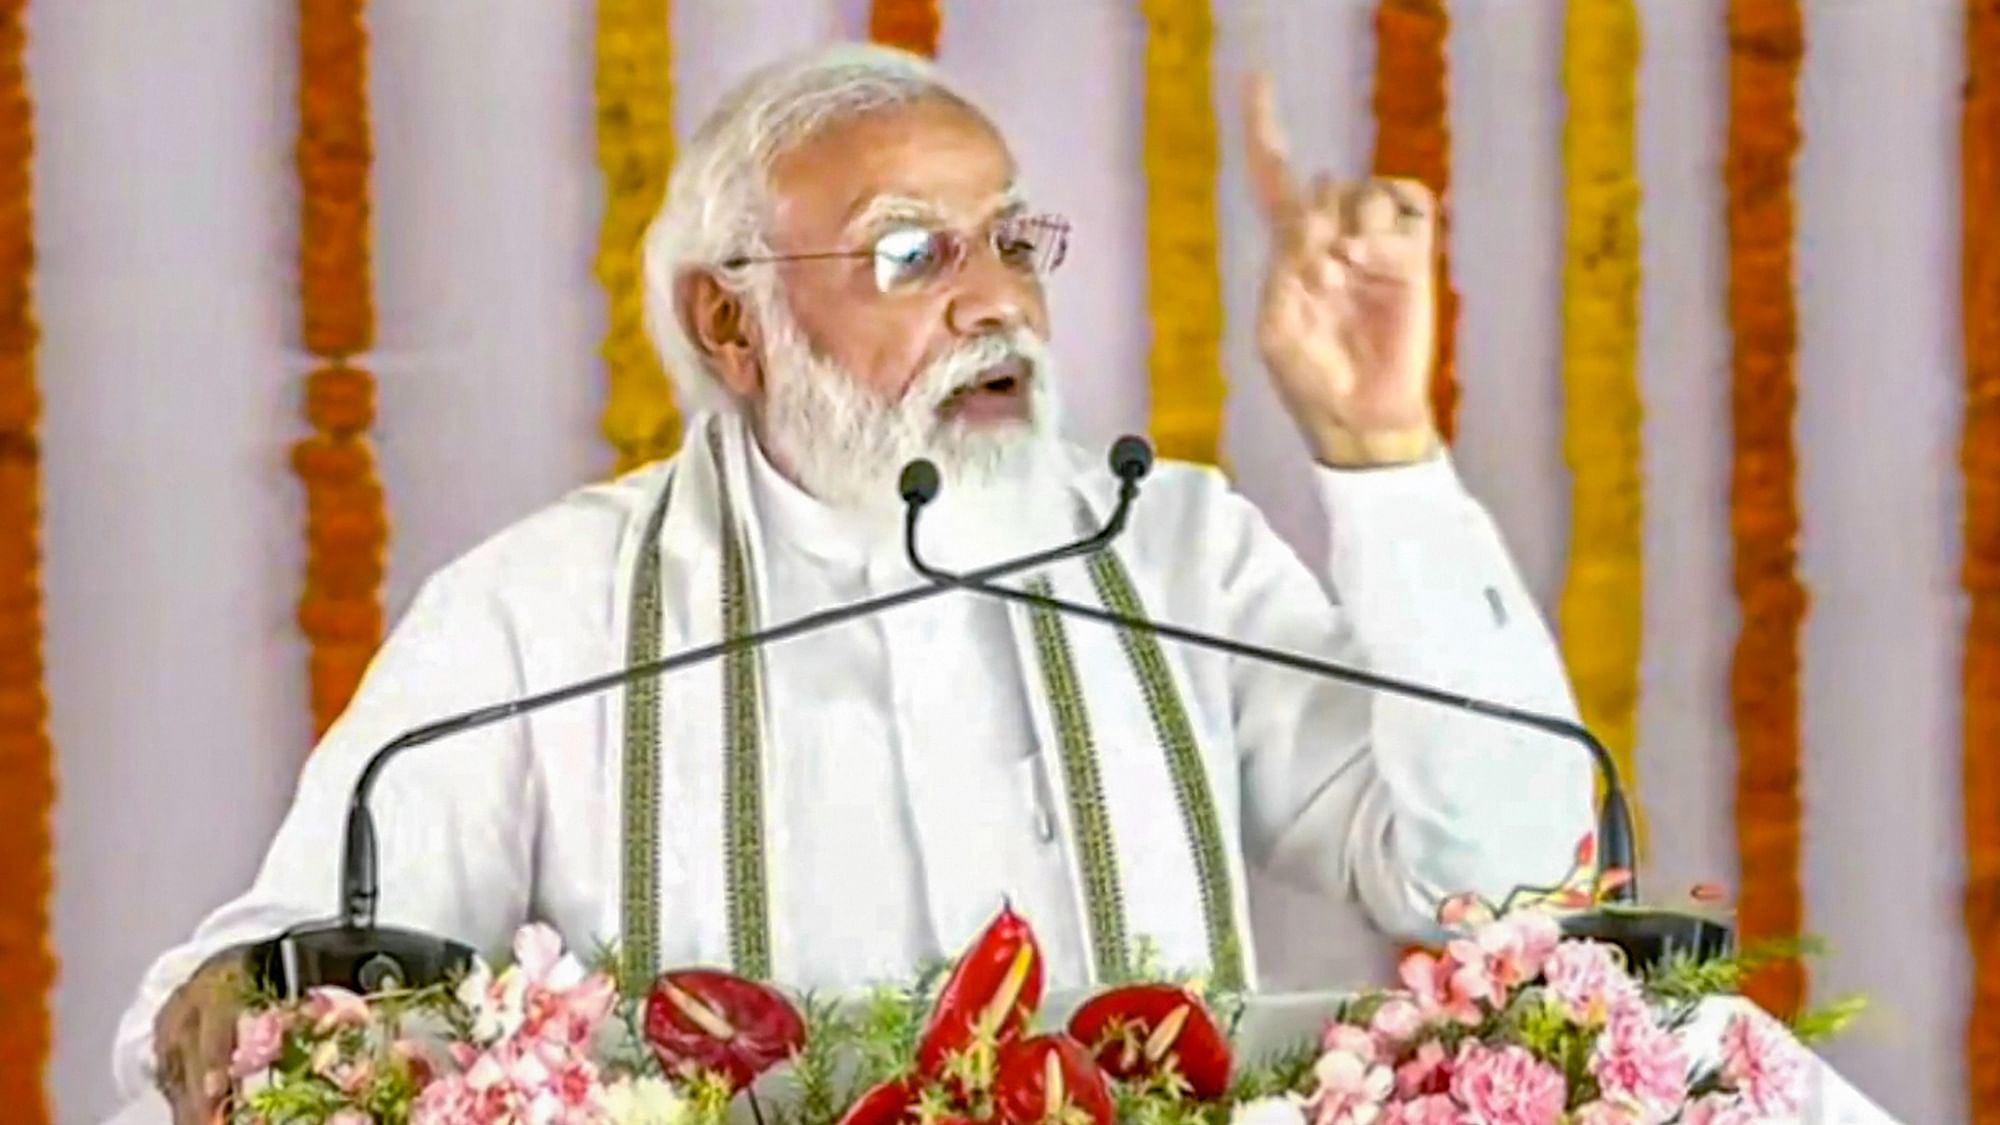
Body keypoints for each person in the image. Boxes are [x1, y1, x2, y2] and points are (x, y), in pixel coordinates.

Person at [123, 43, 1590, 1122]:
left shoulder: (1172, 554)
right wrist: (250, 1002)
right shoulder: (542, 612)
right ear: (733, 320)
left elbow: (1507, 871)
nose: (999, 296)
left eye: (1015, 240)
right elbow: (279, 977)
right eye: (913, 252)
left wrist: (1384, 454)